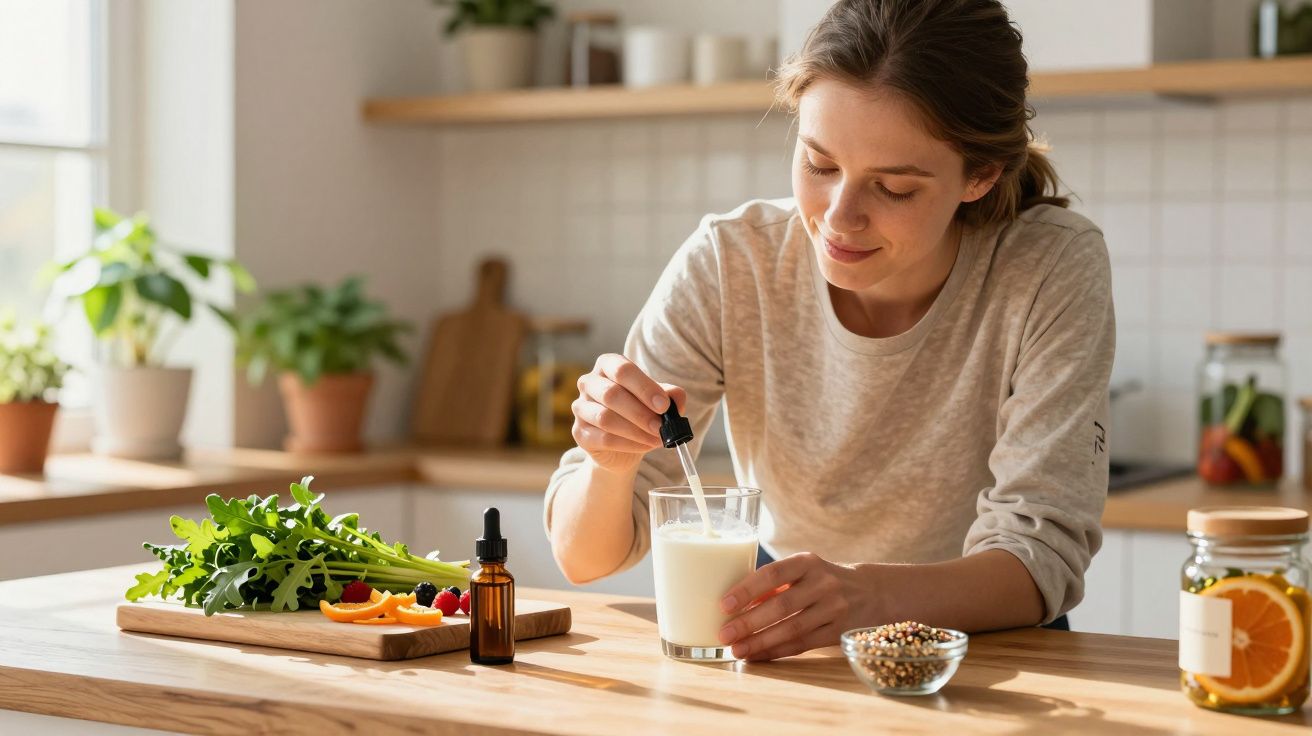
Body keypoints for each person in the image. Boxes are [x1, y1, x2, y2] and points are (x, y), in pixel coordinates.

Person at [544, 0, 1115, 662]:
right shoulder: (733, 262)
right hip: (793, 636)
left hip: (988, 649)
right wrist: (612, 467)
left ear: (980, 176)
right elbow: (583, 559)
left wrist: (869, 598)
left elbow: (1039, 557)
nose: (840, 218)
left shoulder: (1048, 264)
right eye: (819, 164)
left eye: (895, 189)